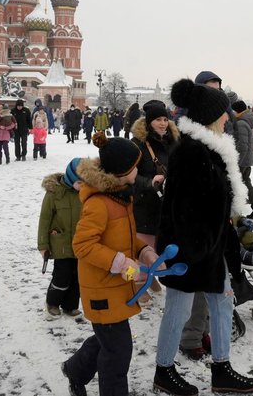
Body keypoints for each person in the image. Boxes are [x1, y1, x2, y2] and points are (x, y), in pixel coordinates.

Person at [153, 78, 253, 396]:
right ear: (210, 117)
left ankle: (222, 368)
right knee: (179, 308)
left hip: (211, 249)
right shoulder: (191, 152)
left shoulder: (209, 150)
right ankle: (164, 370)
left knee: (222, 305)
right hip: (191, 251)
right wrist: (198, 251)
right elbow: (182, 208)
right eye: (223, 113)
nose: (228, 118)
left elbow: (217, 204)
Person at [61, 132, 157, 396]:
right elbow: (82, 246)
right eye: (135, 165)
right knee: (118, 350)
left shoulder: (121, 197)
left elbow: (125, 238)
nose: (139, 169)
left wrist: (146, 253)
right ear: (121, 172)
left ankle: (75, 369)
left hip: (114, 285)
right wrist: (122, 263)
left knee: (109, 340)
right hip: (100, 288)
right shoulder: (99, 203)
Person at [130, 100, 179, 252]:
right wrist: (150, 183)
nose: (163, 123)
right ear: (149, 122)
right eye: (158, 120)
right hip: (146, 209)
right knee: (146, 258)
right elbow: (129, 176)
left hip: (169, 208)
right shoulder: (137, 144)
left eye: (165, 119)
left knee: (167, 258)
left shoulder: (174, 142)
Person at [38, 158, 84, 317]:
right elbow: (44, 219)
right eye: (80, 182)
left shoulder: (85, 193)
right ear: (71, 178)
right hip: (61, 243)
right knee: (62, 276)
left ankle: (70, 305)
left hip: (80, 244)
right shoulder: (54, 194)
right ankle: (53, 302)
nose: (83, 186)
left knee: (77, 276)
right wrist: (43, 245)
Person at [231, 100, 253, 219]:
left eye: (233, 110)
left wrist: (237, 162)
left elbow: (242, 146)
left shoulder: (240, 124)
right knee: (246, 182)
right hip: (245, 160)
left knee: (243, 183)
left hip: (242, 161)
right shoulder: (243, 121)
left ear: (237, 111)